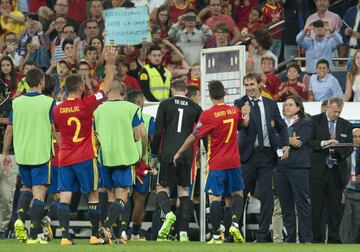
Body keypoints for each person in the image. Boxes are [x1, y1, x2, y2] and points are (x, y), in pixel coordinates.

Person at [52, 47, 117, 245]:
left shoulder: (57, 109)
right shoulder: (86, 104)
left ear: (64, 89)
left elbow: (58, 134)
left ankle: (64, 237)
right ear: (80, 88)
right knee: (92, 194)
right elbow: (106, 88)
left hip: (65, 157)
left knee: (65, 195)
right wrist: (110, 63)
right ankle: (94, 235)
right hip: (85, 156)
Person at [174, 80, 250, 244]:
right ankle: (235, 225)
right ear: (225, 93)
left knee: (215, 198)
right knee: (237, 194)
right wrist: (247, 114)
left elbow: (194, 136)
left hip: (217, 162)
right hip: (234, 161)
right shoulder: (234, 110)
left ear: (210, 95)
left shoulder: (208, 114)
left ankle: (216, 236)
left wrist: (179, 152)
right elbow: (243, 124)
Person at [2, 67, 56, 244]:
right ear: (41, 82)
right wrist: (62, 147)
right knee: (39, 193)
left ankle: (19, 219)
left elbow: (9, 130)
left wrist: (6, 153)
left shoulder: (17, 103)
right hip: (41, 153)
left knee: (26, 189)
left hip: (23, 154)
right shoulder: (49, 102)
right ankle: (33, 235)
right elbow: (55, 129)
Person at [234, 72, 290, 243]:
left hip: (267, 156)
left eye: (252, 84)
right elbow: (237, 126)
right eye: (246, 85)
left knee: (267, 196)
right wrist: (244, 116)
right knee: (240, 194)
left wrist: (285, 144)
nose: (249, 88)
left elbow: (281, 126)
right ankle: (234, 230)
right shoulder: (239, 103)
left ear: (260, 85)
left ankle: (262, 236)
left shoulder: (271, 104)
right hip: (247, 156)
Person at [150, 80, 202, 242]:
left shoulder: (165, 104)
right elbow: (200, 133)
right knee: (184, 192)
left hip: (168, 153)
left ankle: (169, 213)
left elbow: (158, 132)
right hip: (186, 154)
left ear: (173, 90)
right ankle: (183, 233)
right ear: (186, 91)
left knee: (162, 189)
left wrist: (153, 153)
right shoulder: (196, 108)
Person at [93, 78, 143, 245]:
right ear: (123, 92)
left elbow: (96, 137)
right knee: (122, 195)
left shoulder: (98, 110)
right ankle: (106, 226)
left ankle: (110, 235)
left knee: (110, 195)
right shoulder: (132, 108)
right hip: (124, 157)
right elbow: (137, 135)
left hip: (105, 158)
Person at [310, 97, 353, 243]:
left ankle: (334, 240)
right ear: (328, 107)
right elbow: (309, 142)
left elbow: (349, 148)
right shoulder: (314, 121)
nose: (336, 114)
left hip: (336, 172)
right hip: (317, 172)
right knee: (317, 208)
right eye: (334, 111)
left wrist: (341, 150)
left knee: (335, 209)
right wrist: (325, 143)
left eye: (339, 112)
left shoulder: (346, 125)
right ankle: (317, 240)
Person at [276, 96, 313, 243]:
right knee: (286, 206)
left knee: (302, 204)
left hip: (299, 169)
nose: (287, 107)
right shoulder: (279, 124)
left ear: (298, 107)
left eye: (290, 105)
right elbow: (272, 139)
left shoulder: (306, 123)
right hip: (281, 169)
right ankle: (289, 238)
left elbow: (300, 141)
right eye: (285, 105)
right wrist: (288, 140)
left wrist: (282, 141)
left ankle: (306, 239)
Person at [127, 89, 155, 241]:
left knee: (120, 195)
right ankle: (136, 234)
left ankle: (121, 231)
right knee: (140, 199)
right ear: (140, 102)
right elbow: (150, 137)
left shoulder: (122, 116)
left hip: (122, 161)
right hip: (141, 164)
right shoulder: (148, 118)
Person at [0, 79, 16, 240]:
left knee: (6, 194)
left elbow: (13, 122)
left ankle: (3, 228)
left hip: (9, 154)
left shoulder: (12, 104)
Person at [340, 128, 360, 243]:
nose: (357, 139)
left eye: (359, 137)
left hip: (358, 192)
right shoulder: (344, 153)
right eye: (355, 136)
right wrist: (342, 190)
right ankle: (344, 245)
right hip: (346, 191)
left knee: (356, 222)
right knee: (345, 221)